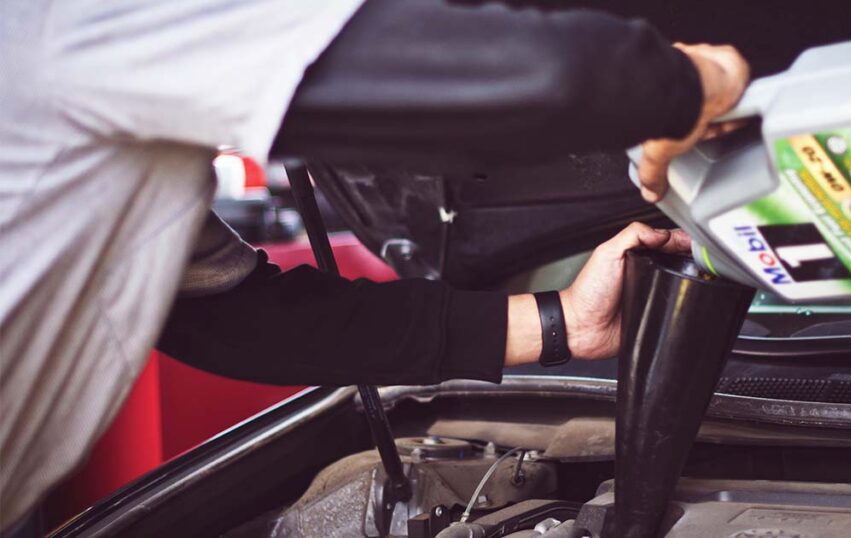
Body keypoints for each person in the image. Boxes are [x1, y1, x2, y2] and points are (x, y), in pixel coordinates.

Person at [0, 0, 749, 531]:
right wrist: (691, 82)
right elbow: (526, 73)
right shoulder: (74, 18)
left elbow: (232, 319)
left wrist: (561, 323)